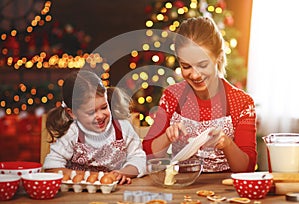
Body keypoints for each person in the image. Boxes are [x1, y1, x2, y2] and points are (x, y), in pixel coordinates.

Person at [142, 16, 257, 173]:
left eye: (203, 65)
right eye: (186, 66)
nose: (195, 75)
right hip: (183, 188)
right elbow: (147, 154)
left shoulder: (242, 102)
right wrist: (167, 137)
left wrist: (227, 144)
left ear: (218, 58)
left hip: (225, 191)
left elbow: (247, 167)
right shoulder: (172, 96)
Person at [43, 70, 146, 184]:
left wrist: (124, 172)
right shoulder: (72, 132)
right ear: (72, 113)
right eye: (91, 112)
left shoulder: (123, 128)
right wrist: (90, 176)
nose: (100, 116)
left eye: (104, 107)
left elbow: (139, 158)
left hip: (117, 192)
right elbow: (51, 167)